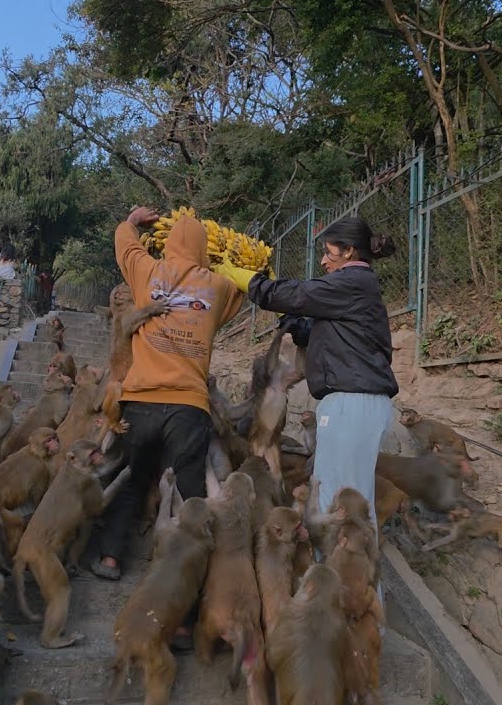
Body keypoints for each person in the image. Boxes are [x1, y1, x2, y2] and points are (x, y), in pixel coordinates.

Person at [212, 215, 399, 539]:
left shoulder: (352, 281)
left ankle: (350, 582)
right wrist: (284, 311)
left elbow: (296, 294)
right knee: (332, 498)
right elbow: (309, 330)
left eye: (328, 253)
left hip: (352, 404)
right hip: (349, 403)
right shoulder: (351, 292)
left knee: (344, 505)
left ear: (349, 252)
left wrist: (249, 280)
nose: (324, 261)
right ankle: (334, 578)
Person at [93, 206, 242, 589]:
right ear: (203, 248)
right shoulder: (218, 286)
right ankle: (189, 590)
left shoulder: (146, 272)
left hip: (140, 399)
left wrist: (130, 221)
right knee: (191, 491)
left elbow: (125, 247)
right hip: (189, 405)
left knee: (132, 477)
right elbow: (243, 291)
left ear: (170, 243)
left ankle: (110, 556)